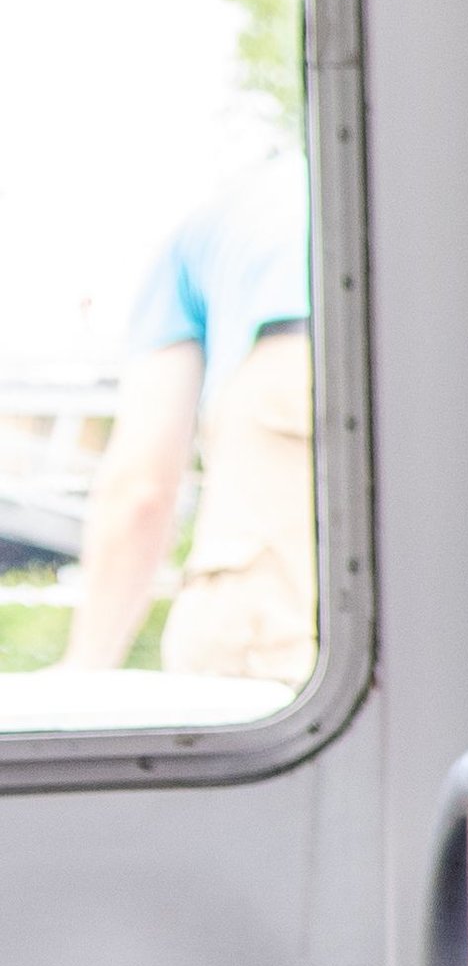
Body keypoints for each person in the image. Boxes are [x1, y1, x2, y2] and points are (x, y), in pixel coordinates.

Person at [69, 156, 316, 683]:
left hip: (291, 357)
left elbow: (143, 486)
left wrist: (83, 672)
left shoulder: (184, 244)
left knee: (257, 663)